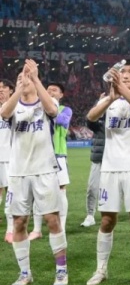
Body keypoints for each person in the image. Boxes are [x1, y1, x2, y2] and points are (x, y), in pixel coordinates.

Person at [86, 59, 130, 285]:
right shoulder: (109, 100)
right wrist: (110, 98)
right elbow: (91, 117)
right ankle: (101, 270)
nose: (125, 74)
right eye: (122, 71)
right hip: (110, 168)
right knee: (106, 221)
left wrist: (120, 89)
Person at [1, 60, 68, 285]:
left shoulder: (46, 101)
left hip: (44, 170)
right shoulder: (12, 105)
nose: (24, 80)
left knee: (52, 220)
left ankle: (61, 270)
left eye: (27, 77)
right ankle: (25, 273)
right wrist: (20, 86)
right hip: (18, 173)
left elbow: (53, 111)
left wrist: (36, 79)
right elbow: (4, 113)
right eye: (20, 78)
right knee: (19, 222)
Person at [28, 82, 72, 240]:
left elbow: (62, 122)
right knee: (37, 191)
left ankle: (62, 227)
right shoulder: (38, 108)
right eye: (48, 90)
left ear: (61, 95)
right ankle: (37, 229)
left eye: (54, 90)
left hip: (58, 155)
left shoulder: (65, 110)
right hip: (39, 155)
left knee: (61, 190)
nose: (50, 92)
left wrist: (49, 105)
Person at [80, 93, 107, 229]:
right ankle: (90, 215)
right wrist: (99, 102)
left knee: (115, 190)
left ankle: (108, 214)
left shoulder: (119, 123)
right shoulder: (98, 123)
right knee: (92, 188)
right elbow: (89, 119)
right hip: (98, 159)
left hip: (116, 161)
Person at [0, 78, 15, 244]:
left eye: (4, 88)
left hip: (10, 158)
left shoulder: (15, 108)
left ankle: (11, 229)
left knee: (11, 193)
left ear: (11, 90)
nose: (0, 91)